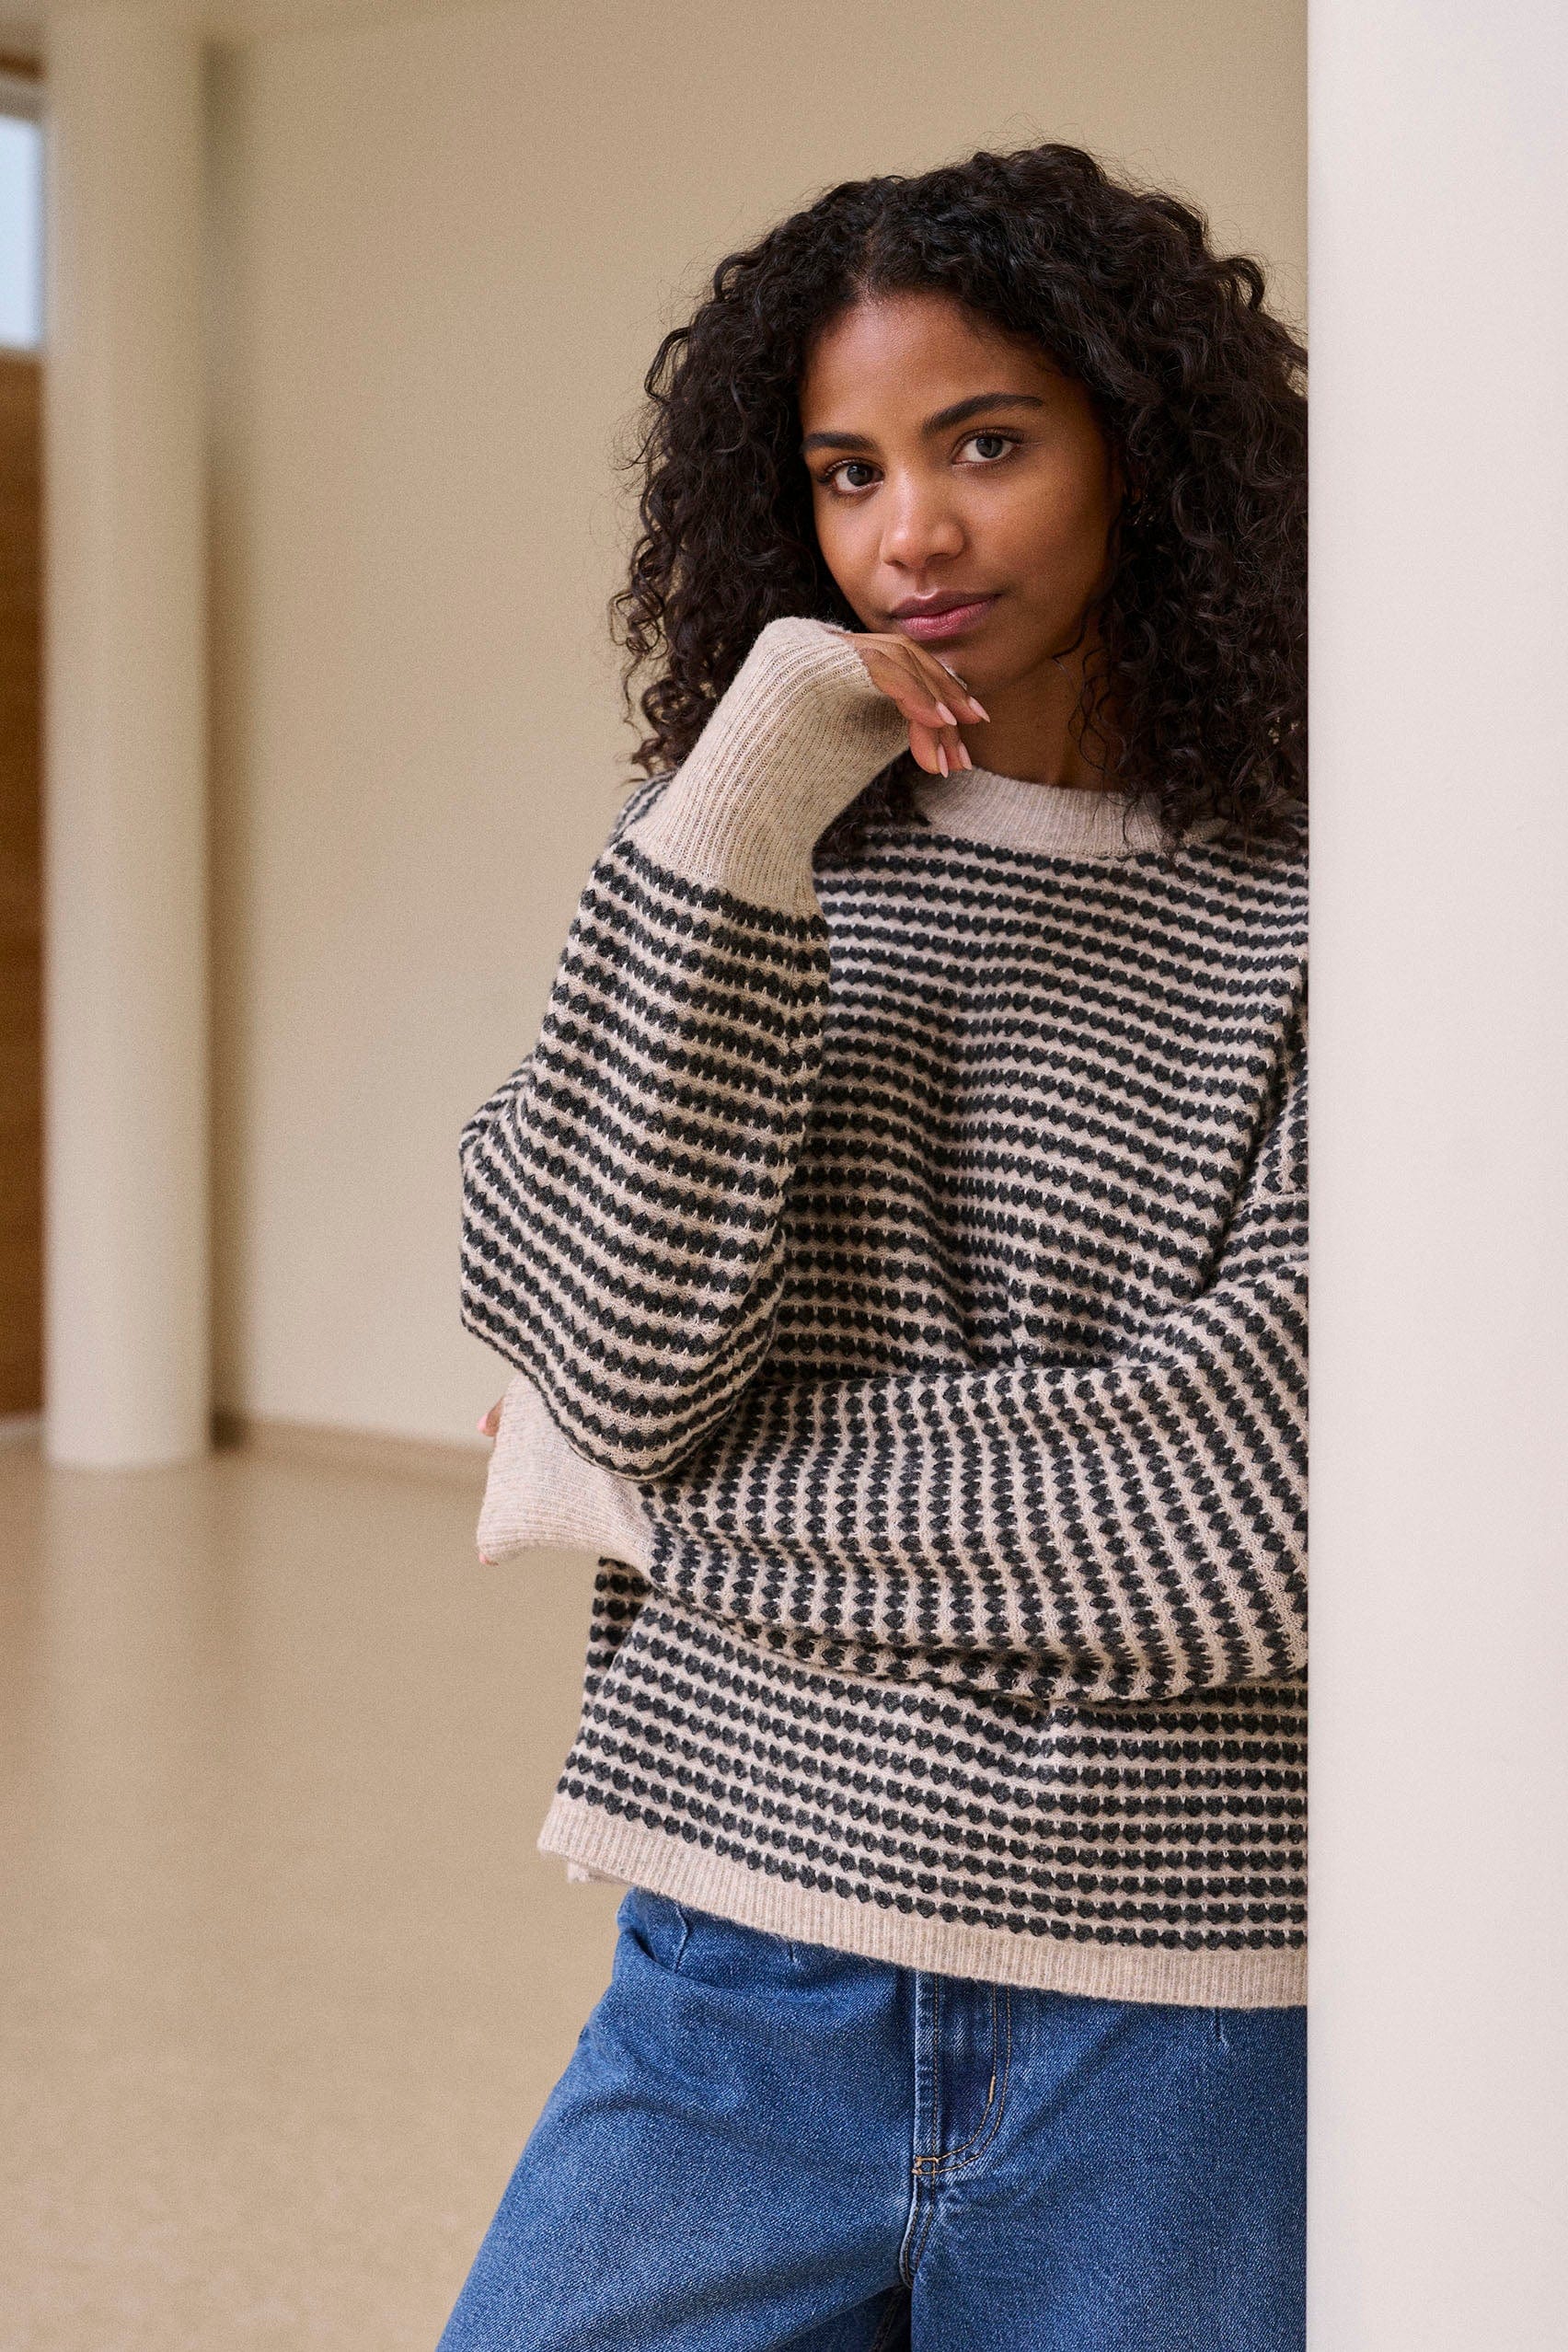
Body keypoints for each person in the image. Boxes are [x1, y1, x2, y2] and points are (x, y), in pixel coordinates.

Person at [440, 139, 1307, 2352]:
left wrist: (638, 1503)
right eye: (845, 471)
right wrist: (738, 791)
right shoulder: (740, 866)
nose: (906, 532)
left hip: (1177, 2015)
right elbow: (613, 1347)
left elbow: (1244, 1516)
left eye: (985, 444)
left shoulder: (1330, 917)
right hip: (738, 1956)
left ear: (1151, 454)